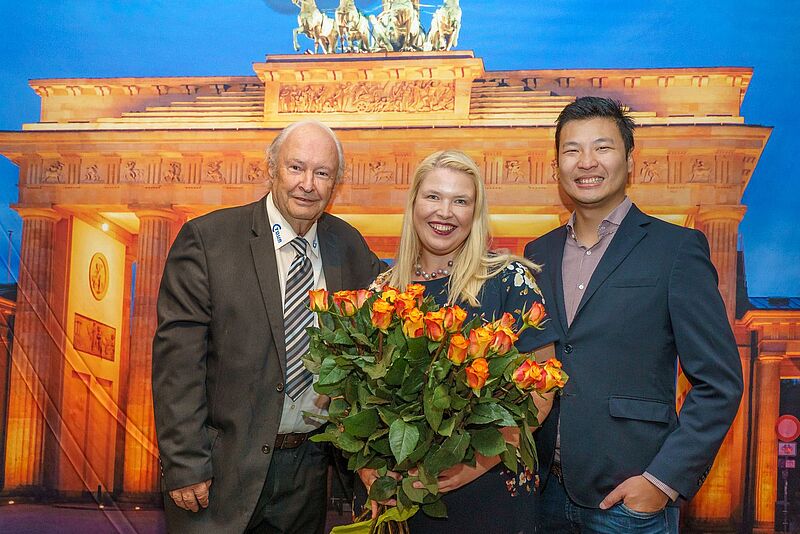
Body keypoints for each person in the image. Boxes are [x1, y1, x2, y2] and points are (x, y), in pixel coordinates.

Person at [152, 120, 384, 533]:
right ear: (272, 168)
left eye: (322, 173)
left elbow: (380, 340)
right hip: (219, 473)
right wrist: (185, 463)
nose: (308, 184)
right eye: (296, 168)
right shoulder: (208, 240)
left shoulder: (349, 247)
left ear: (336, 183)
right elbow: (178, 365)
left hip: (308, 472)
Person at [524, 96, 743, 533]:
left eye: (602, 148)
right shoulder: (537, 254)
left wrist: (662, 482)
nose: (586, 162)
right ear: (556, 168)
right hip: (545, 496)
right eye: (572, 150)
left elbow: (719, 382)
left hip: (629, 503)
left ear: (629, 161)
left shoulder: (676, 250)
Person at [360, 149, 558, 533]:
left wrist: (476, 462)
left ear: (475, 212)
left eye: (460, 201)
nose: (444, 212)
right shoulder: (381, 292)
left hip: (488, 492)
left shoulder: (508, 280)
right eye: (433, 196)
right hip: (399, 494)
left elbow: (541, 391)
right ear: (414, 202)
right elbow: (356, 397)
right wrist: (370, 469)